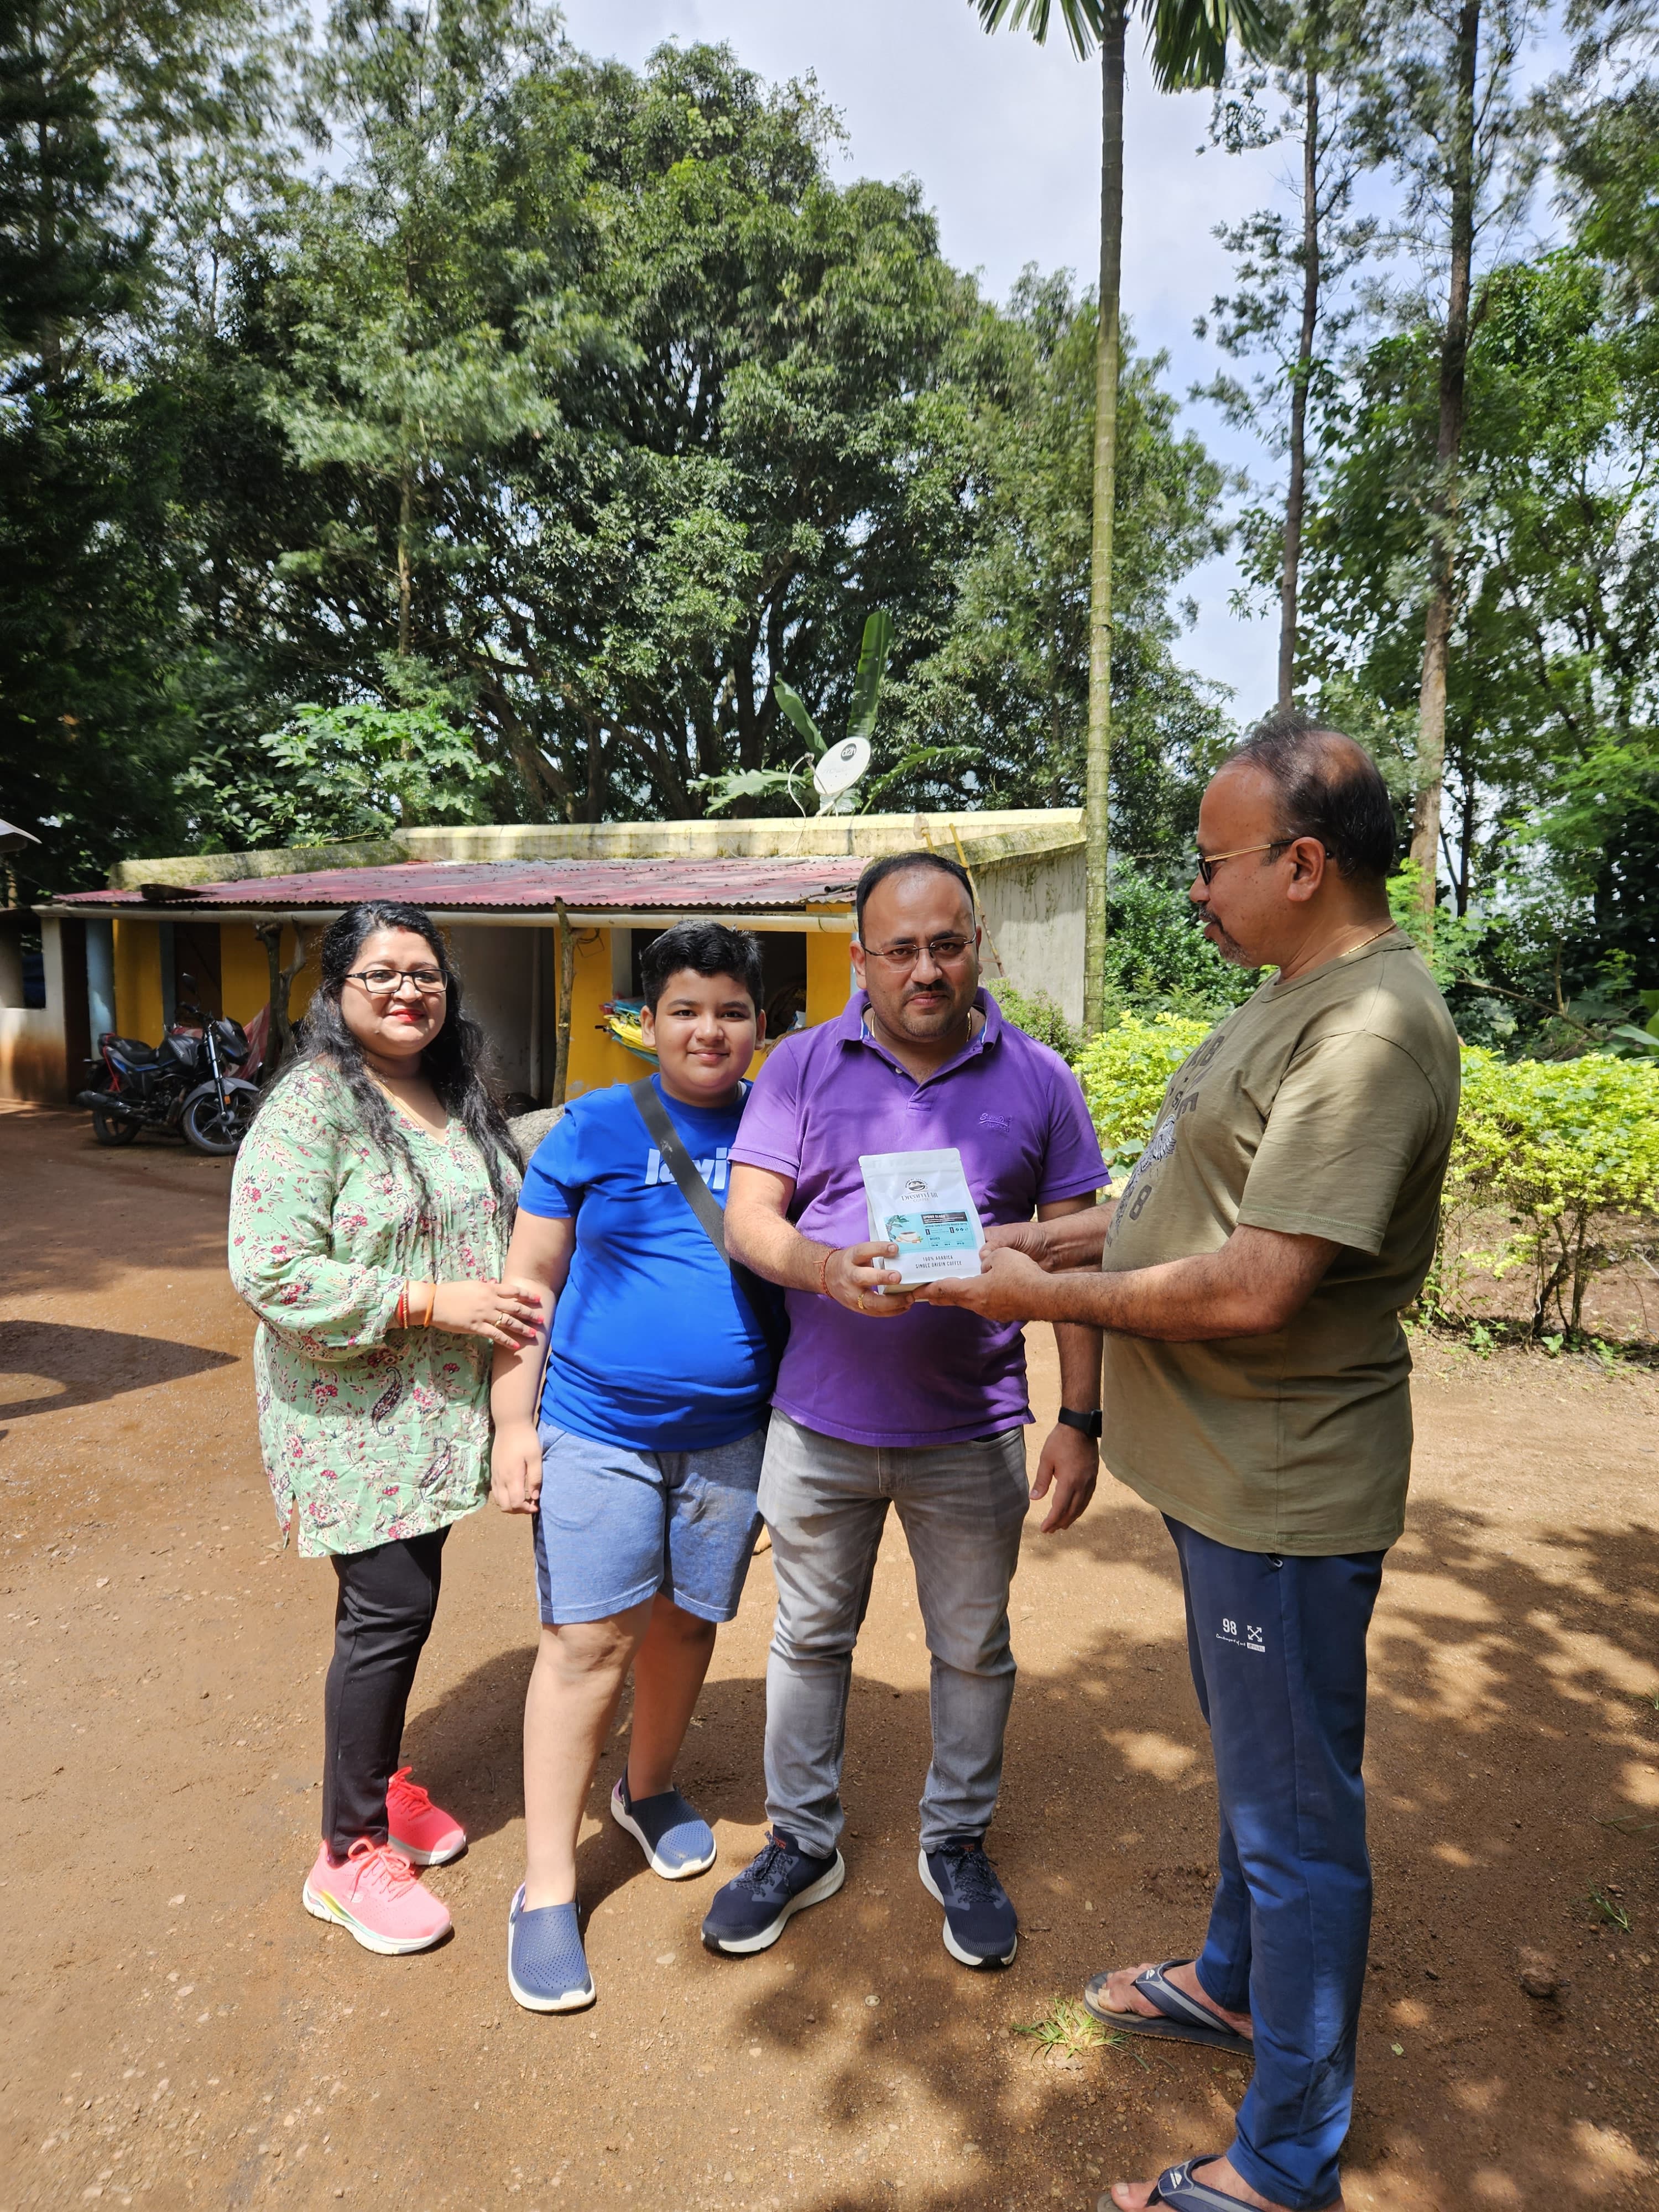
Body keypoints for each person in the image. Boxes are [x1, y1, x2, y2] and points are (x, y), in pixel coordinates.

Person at [921, 714, 1460, 2212]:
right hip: (1226, 1479)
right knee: (1261, 1769)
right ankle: (1230, 1985)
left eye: (1215, 863)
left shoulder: (1372, 1030)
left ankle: (1288, 2156)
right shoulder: (1291, 995)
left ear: (1302, 863)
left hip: (1283, 1491)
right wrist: (1034, 1237)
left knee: (1299, 1826)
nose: (1197, 891)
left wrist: (1031, 1298)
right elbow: (1187, 1204)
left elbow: (1256, 1283)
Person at [699, 850, 1110, 1970]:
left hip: (973, 1428)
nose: (927, 969)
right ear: (861, 958)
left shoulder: (1040, 1077)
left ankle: (958, 1839)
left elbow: (1078, 1251)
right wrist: (827, 1270)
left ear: (977, 943)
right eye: (902, 948)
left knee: (973, 1649)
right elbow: (750, 1219)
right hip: (821, 1420)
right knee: (807, 1637)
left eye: (949, 943)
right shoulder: (798, 1066)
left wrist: (1081, 1416)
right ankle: (802, 1839)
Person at [228, 900, 539, 1957]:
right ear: (337, 991)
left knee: (403, 1602)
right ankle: (347, 1853)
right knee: (389, 1609)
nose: (409, 990)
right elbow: (269, 1268)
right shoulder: (314, 1104)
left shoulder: (453, 1097)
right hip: (352, 1416)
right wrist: (430, 1302)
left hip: (437, 1418)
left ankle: (383, 1777)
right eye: (382, 974)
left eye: (425, 973)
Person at [490, 920, 779, 2013]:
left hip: (731, 1434)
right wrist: (516, 1423)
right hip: (598, 1426)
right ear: (646, 1021)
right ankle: (549, 1887)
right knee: (588, 1641)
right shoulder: (593, 1126)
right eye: (686, 1008)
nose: (711, 1029)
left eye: (733, 1009)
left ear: (763, 1023)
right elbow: (529, 1289)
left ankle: (646, 1787)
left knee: (687, 1621)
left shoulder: (779, 1128)